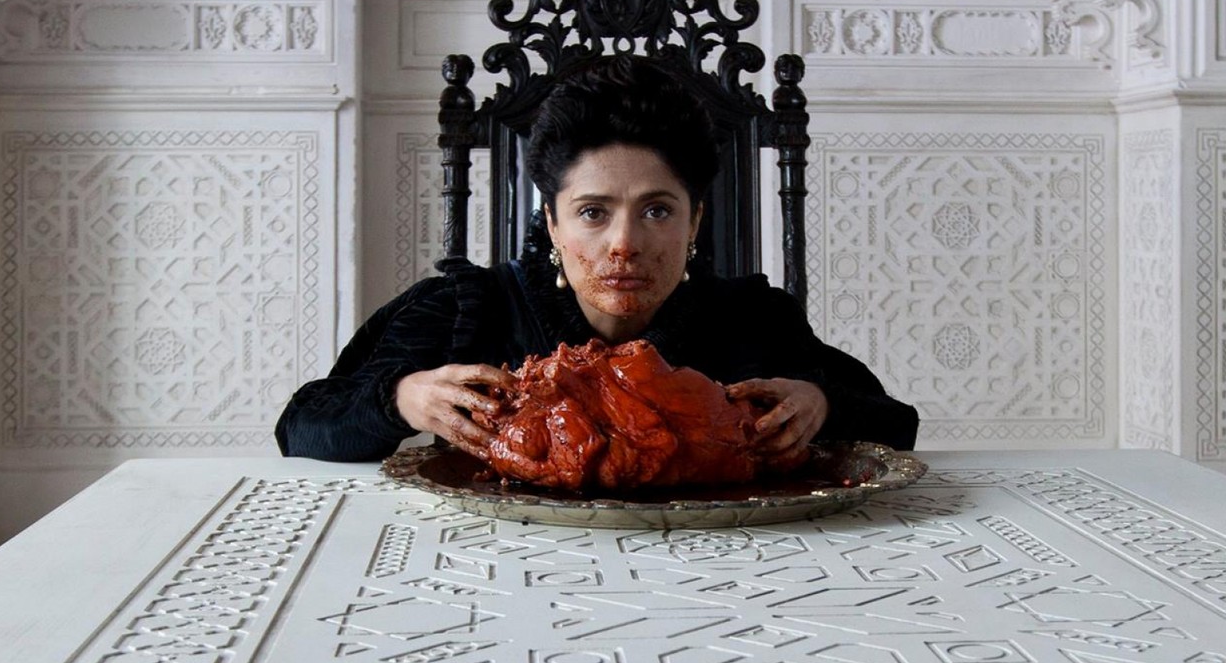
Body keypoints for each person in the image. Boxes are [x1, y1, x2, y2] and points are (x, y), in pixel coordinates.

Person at [276, 54, 918, 462]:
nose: (624, 244)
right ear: (551, 221)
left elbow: (896, 424)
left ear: (695, 219)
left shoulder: (752, 319)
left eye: (658, 210)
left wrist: (822, 404)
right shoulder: (463, 313)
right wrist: (403, 398)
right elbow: (302, 425)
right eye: (592, 211)